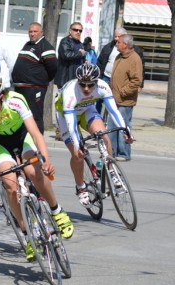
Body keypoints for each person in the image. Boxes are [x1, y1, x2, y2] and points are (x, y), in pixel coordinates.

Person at [0, 73, 74, 262]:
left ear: (1, 97)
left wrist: (45, 160)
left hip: (23, 136)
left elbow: (35, 133)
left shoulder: (15, 101)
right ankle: (27, 235)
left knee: (34, 172)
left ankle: (57, 211)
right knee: (9, 185)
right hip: (1, 145)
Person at [55, 64, 133, 207]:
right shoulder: (70, 93)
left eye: (90, 85)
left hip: (86, 110)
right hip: (66, 116)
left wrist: (125, 131)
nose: (86, 88)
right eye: (83, 84)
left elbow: (114, 111)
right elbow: (72, 127)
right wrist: (78, 145)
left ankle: (111, 170)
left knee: (104, 136)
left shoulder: (103, 87)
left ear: (96, 82)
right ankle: (80, 187)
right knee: (77, 154)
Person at [11, 22, 58, 134]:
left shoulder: (46, 47)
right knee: (20, 115)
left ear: (41, 33)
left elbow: (53, 68)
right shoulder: (28, 44)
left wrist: (40, 80)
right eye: (30, 32)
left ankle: (38, 145)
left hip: (34, 88)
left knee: (34, 116)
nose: (32, 34)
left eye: (35, 31)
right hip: (20, 88)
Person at [107, 33, 142, 162]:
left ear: (125, 45)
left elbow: (136, 81)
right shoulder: (119, 56)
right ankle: (112, 151)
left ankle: (123, 153)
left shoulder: (134, 59)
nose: (116, 44)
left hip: (125, 100)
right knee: (111, 127)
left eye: (119, 42)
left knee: (123, 127)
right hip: (113, 99)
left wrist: (123, 92)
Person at [54, 22, 86, 89]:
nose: (78, 32)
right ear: (70, 31)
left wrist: (85, 62)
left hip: (77, 79)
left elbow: (81, 59)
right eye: (75, 30)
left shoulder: (80, 44)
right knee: (65, 99)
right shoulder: (65, 41)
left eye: (80, 31)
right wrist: (80, 54)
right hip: (65, 79)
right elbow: (66, 55)